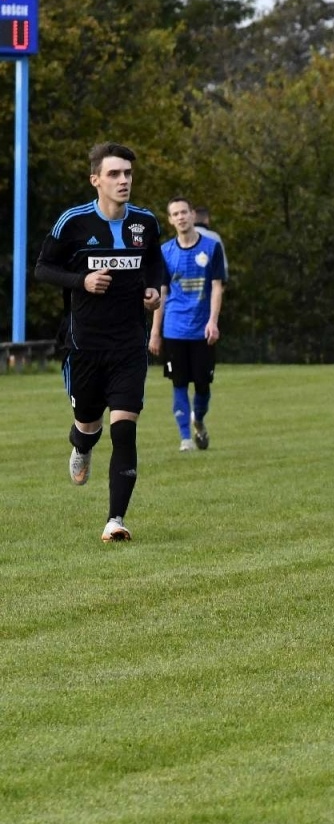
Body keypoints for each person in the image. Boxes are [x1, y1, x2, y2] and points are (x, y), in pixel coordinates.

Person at [34, 143, 168, 542]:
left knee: (124, 430)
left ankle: (115, 521)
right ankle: (81, 444)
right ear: (96, 180)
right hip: (86, 346)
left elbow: (155, 264)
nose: (123, 180)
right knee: (88, 425)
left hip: (129, 344)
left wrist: (154, 290)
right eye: (114, 174)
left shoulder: (145, 222)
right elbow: (43, 268)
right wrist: (83, 281)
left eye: (127, 173)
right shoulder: (72, 223)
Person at [148, 197, 228, 451]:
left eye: (184, 212)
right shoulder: (164, 252)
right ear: (170, 220)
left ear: (193, 215)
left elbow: (217, 287)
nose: (181, 217)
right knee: (179, 383)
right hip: (174, 329)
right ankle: (185, 438)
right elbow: (161, 293)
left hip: (202, 329)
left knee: (203, 386)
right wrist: (155, 333)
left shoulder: (211, 248)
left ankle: (199, 420)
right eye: (175, 214)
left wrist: (213, 322)